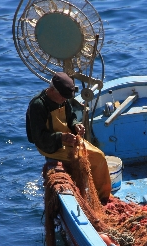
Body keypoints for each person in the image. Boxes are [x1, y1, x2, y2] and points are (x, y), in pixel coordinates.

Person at [26, 72, 111, 202]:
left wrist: (76, 125)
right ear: (52, 90)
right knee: (79, 160)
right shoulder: (38, 105)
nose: (64, 100)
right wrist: (61, 137)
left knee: (99, 157)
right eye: (62, 97)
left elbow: (71, 117)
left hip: (69, 138)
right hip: (51, 145)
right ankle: (83, 195)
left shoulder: (63, 99)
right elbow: (38, 138)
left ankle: (102, 198)